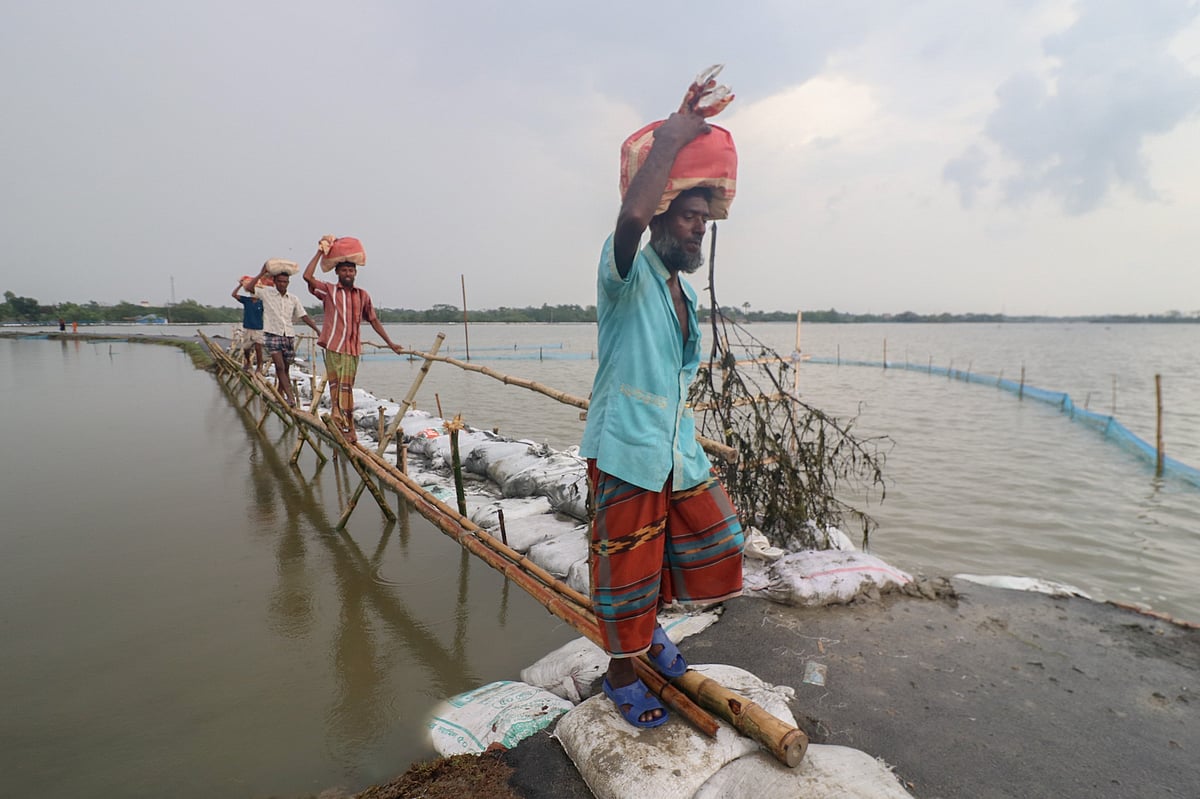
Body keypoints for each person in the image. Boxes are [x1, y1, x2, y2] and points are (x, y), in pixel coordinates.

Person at [578, 109, 745, 728]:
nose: (698, 230)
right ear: (660, 220)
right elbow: (628, 219)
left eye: (705, 220)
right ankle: (621, 671)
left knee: (715, 540)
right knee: (628, 567)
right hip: (626, 447)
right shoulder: (625, 275)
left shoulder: (685, 292)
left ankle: (648, 639)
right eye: (688, 217)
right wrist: (673, 137)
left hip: (675, 449)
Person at [302, 246, 404, 442]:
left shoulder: (363, 295)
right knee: (335, 387)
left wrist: (390, 343)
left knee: (347, 389)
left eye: (351, 270)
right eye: (344, 270)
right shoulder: (329, 291)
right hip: (333, 346)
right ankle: (339, 423)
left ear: (355, 273)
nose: (348, 273)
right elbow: (307, 276)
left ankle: (349, 428)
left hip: (351, 349)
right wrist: (319, 253)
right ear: (337, 272)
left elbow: (373, 320)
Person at [248, 266, 319, 407]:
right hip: (272, 334)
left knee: (285, 368)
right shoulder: (266, 293)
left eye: (285, 282)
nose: (282, 284)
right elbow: (250, 288)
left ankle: (280, 393)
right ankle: (291, 398)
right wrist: (262, 273)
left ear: (288, 283)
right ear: (274, 281)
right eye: (280, 281)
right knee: (279, 367)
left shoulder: (293, 299)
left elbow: (303, 315)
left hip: (288, 336)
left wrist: (317, 330)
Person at [231, 278, 266, 373]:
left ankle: (259, 366)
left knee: (258, 347)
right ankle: (248, 362)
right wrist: (240, 285)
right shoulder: (247, 300)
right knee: (246, 348)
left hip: (258, 328)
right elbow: (234, 295)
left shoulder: (262, 302)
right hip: (247, 327)